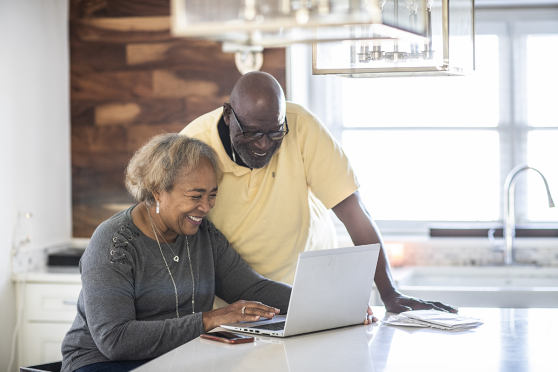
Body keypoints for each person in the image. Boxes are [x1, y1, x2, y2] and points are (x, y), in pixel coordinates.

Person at [180, 71, 457, 315]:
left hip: (309, 287)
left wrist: (389, 293)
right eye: (252, 133)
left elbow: (352, 211)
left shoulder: (301, 127)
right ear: (229, 114)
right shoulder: (194, 146)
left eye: (275, 132)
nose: (263, 145)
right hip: (233, 303)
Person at [61, 134, 291, 372]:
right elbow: (116, 340)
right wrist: (210, 319)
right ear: (157, 191)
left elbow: (251, 288)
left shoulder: (204, 235)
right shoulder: (113, 243)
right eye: (195, 196)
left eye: (212, 194)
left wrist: (315, 300)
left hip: (175, 358)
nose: (206, 206)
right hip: (103, 363)